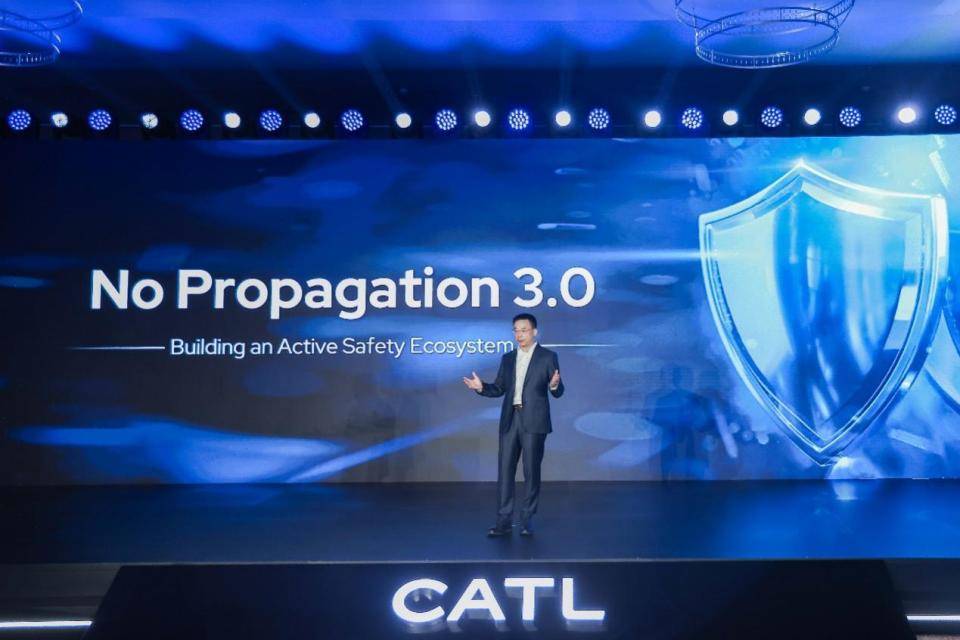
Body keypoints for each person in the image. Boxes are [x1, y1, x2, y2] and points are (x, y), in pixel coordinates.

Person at [462, 313, 564, 537]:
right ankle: (504, 521)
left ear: (534, 332)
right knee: (505, 472)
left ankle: (527, 519)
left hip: (534, 421)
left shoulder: (548, 357)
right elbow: (499, 388)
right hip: (510, 420)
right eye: (516, 330)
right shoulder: (508, 358)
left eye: (523, 330)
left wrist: (554, 385)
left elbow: (558, 392)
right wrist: (481, 387)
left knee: (531, 472)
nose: (519, 334)